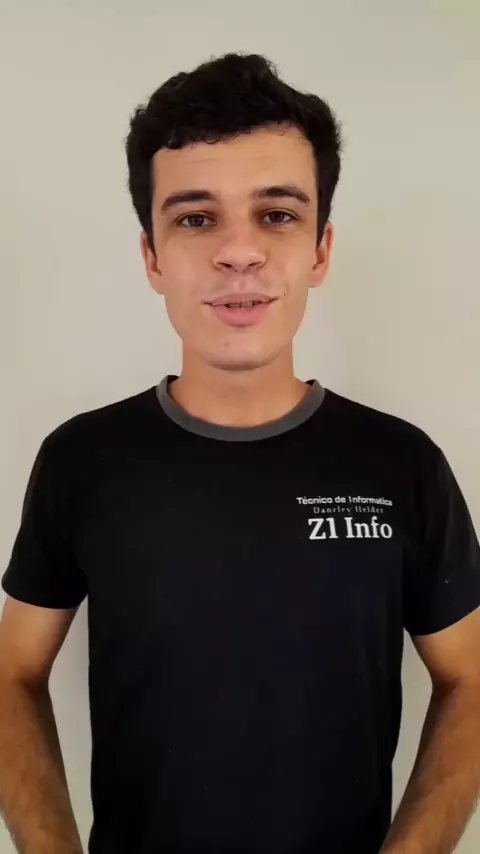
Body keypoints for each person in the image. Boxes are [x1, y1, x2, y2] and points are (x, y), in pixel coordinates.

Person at [1, 52, 479, 854]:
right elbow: (12, 673)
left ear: (321, 250)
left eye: (277, 214)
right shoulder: (82, 462)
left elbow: (471, 677)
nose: (239, 252)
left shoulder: (402, 466)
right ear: (152, 256)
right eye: (195, 219)